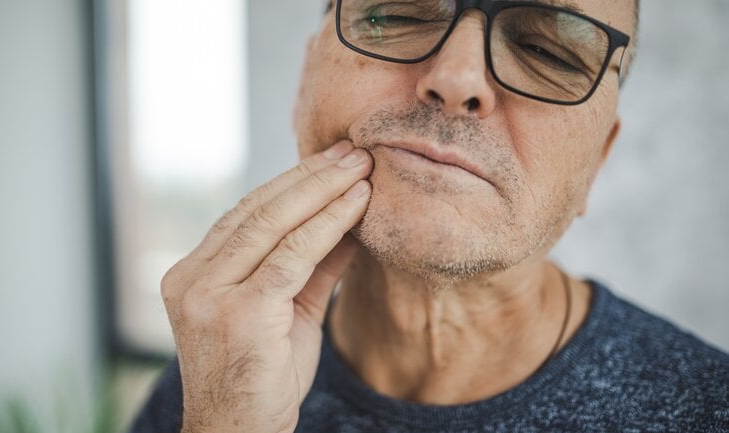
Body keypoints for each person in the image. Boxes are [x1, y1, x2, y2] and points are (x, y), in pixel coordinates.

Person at [130, 0, 729, 431]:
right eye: (399, 12)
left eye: (546, 49)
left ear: (595, 162)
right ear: (304, 86)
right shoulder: (213, 383)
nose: (456, 78)